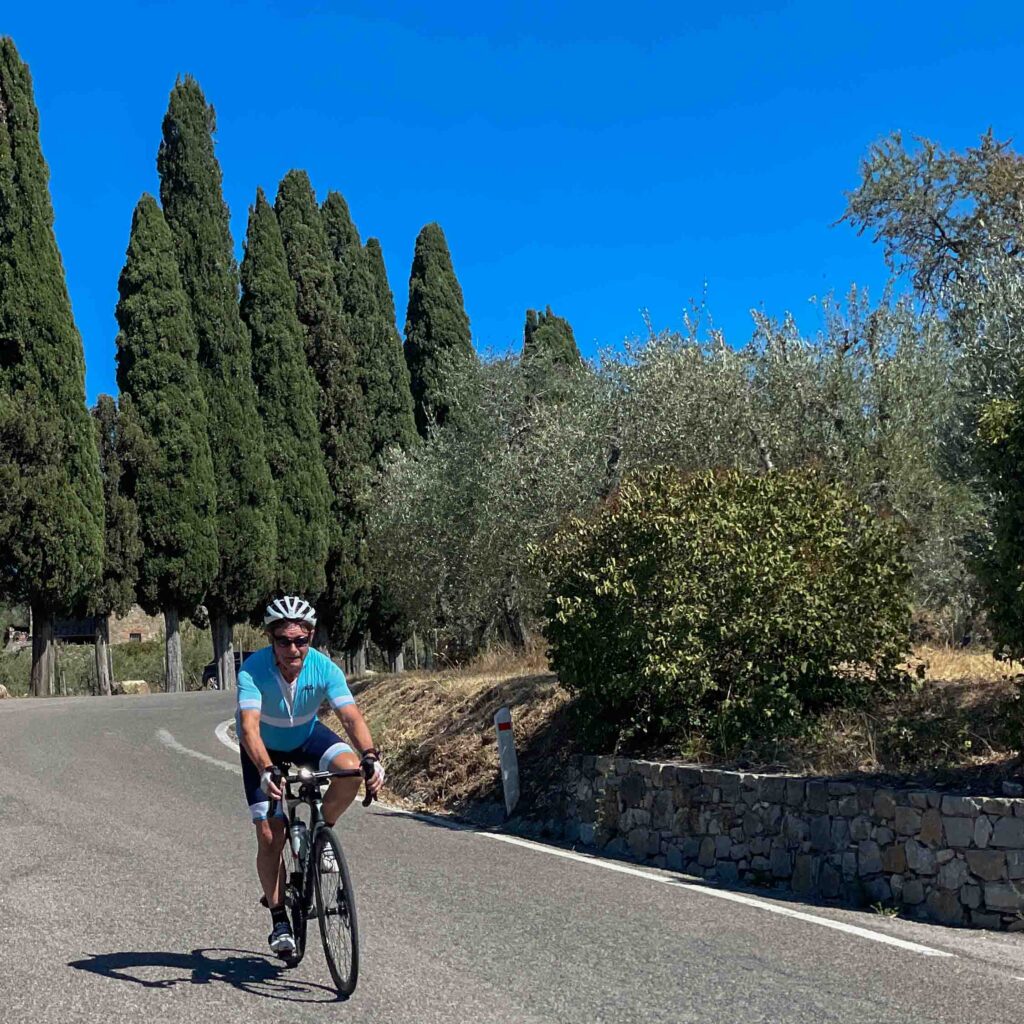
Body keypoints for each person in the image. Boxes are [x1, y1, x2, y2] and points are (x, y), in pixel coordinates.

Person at [236, 595, 385, 957]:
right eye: (283, 641)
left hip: (306, 737)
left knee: (349, 770)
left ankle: (321, 834)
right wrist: (265, 769)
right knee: (271, 834)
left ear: (311, 638)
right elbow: (249, 728)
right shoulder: (252, 670)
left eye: (300, 640)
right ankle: (279, 920)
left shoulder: (324, 668)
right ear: (271, 639)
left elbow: (350, 716)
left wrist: (370, 756)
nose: (292, 649)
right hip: (264, 751)